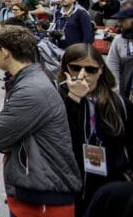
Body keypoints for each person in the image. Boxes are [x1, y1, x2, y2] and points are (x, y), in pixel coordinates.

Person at [0, 25, 82, 217]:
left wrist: (8, 139)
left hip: (43, 200)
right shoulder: (30, 79)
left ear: (5, 52)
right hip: (37, 190)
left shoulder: (31, 90)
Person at [57, 43, 133, 216]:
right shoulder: (56, 98)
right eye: (75, 68)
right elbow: (61, 137)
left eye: (91, 70)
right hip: (71, 183)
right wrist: (74, 98)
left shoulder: (119, 103)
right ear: (65, 69)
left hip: (109, 183)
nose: (83, 75)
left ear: (101, 70)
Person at [105, 7, 133, 94]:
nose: (118, 23)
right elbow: (112, 65)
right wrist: (115, 89)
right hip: (127, 90)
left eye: (122, 20)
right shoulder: (119, 40)